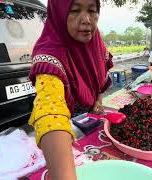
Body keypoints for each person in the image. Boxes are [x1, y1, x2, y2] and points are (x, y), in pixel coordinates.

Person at [28, 0, 113, 179]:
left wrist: (98, 100)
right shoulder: (50, 53)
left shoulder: (95, 40)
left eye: (92, 10)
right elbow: (51, 112)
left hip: (90, 116)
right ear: (58, 13)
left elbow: (100, 73)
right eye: (74, 11)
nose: (86, 20)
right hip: (66, 122)